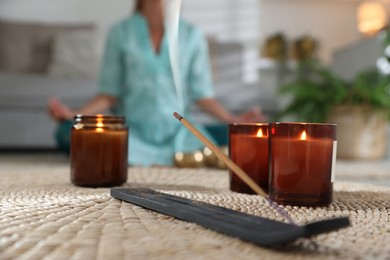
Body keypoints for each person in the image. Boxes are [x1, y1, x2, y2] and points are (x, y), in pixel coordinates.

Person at [48, 0, 264, 166]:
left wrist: (232, 119)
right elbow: (109, 93)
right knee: (68, 131)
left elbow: (201, 94)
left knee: (246, 137)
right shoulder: (120, 33)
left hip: (179, 136)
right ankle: (168, 158)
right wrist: (75, 115)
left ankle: (179, 154)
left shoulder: (192, 35)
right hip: (131, 135)